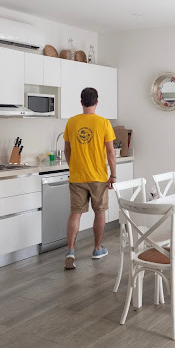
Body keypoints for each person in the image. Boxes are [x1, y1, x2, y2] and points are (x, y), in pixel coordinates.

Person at [63, 87, 116, 270]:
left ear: (81, 102)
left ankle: (70, 250)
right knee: (99, 212)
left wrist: (74, 167)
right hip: (98, 177)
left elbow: (67, 150)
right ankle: (97, 248)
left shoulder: (72, 122)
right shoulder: (103, 123)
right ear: (97, 102)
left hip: (77, 177)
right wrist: (113, 175)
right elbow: (110, 152)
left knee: (75, 213)